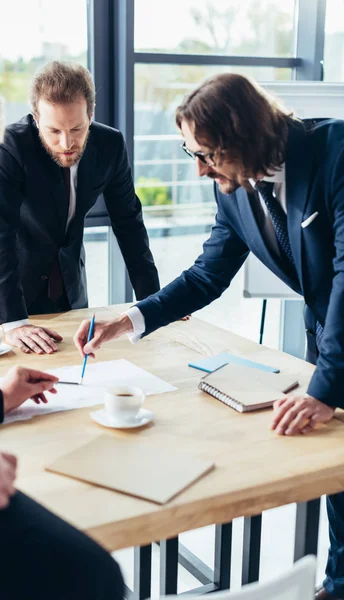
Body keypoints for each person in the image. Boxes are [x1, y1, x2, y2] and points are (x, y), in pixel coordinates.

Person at [74, 73, 344, 600]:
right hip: (328, 340)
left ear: (243, 138)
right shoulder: (235, 189)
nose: (197, 169)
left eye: (206, 153)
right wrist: (129, 320)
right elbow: (207, 275)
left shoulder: (335, 153)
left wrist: (324, 389)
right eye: (188, 151)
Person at [0, 56, 124, 599]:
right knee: (95, 577)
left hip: (57, 291)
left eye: (77, 129)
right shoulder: (13, 151)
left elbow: (128, 216)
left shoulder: (108, 146)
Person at [0, 60, 160, 356]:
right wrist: (14, 322)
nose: (67, 143)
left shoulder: (111, 145)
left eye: (77, 128)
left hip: (67, 292)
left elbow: (129, 223)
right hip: (4, 301)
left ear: (91, 114)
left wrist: (154, 302)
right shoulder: (8, 147)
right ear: (36, 118)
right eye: (54, 130)